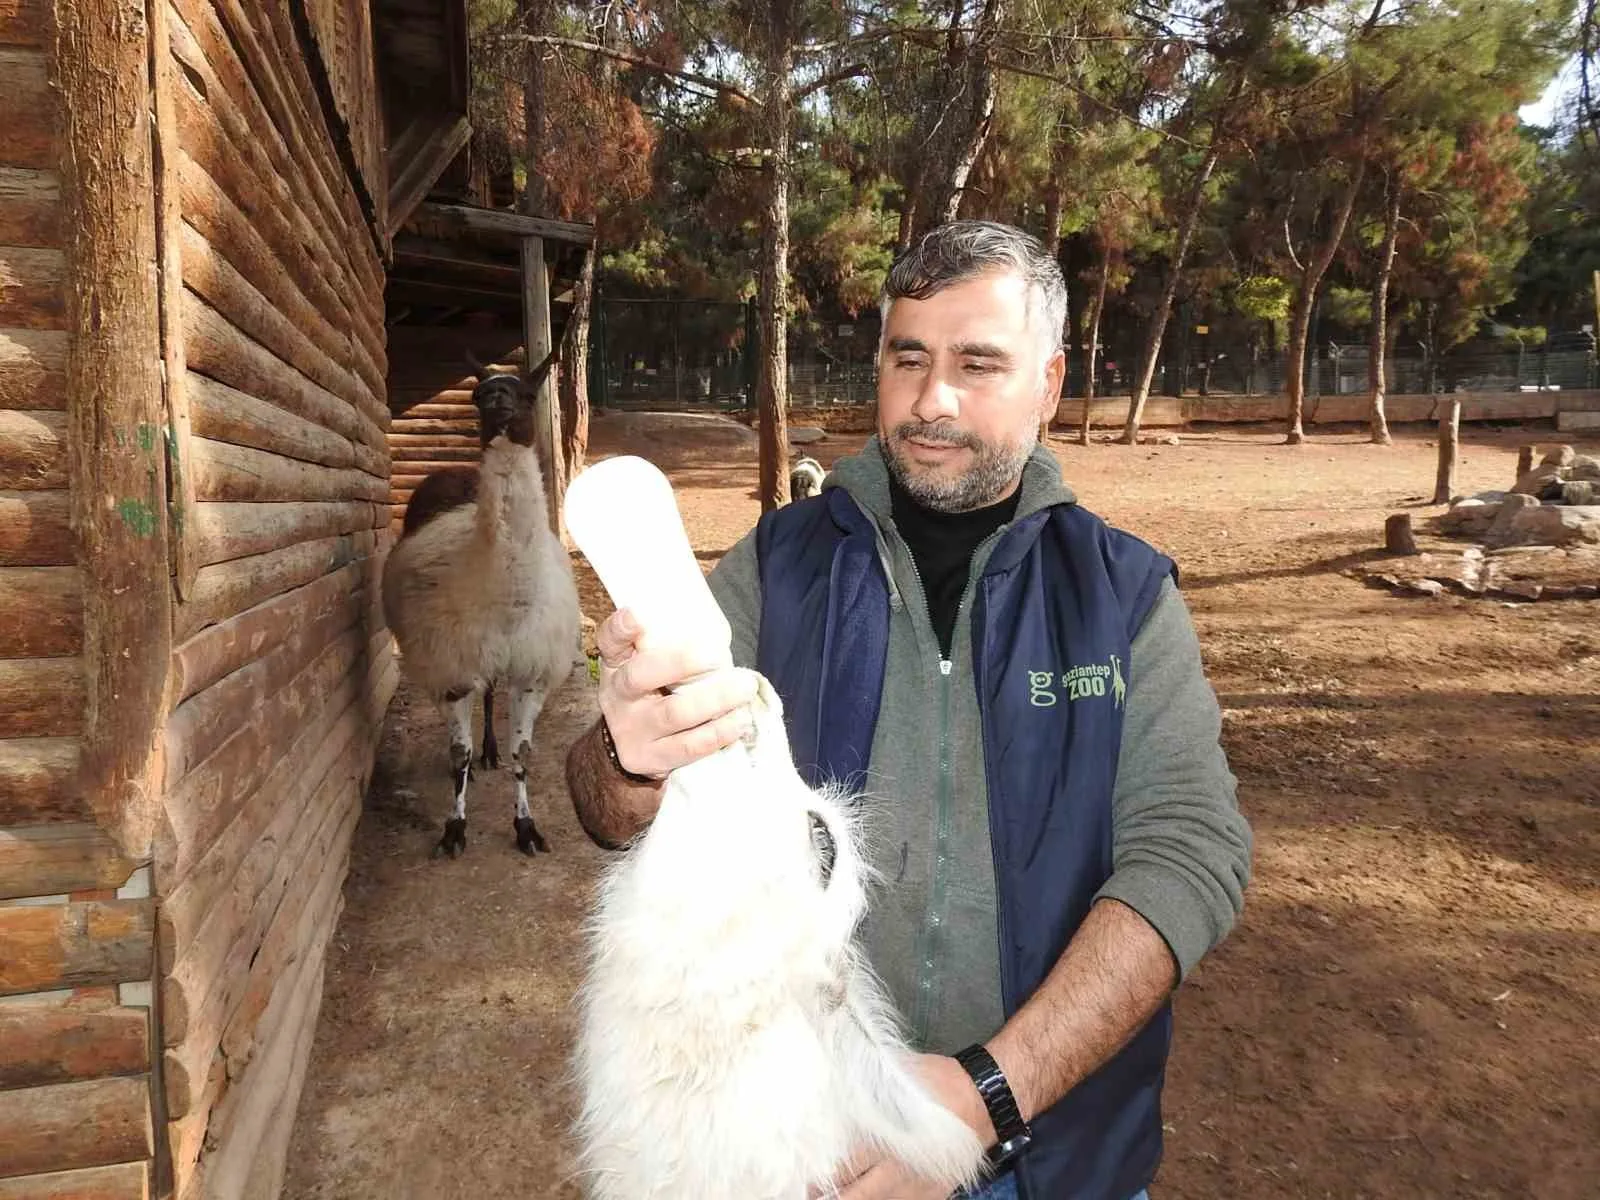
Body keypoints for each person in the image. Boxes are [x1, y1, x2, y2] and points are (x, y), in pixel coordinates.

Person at [564, 220, 1252, 1200]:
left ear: (1049, 385)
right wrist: (631, 763)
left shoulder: (1123, 595)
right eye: (908, 357)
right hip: (813, 1143)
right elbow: (601, 804)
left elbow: (1192, 851)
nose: (934, 399)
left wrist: (987, 1095)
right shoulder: (775, 568)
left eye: (978, 363)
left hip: (1056, 1153)